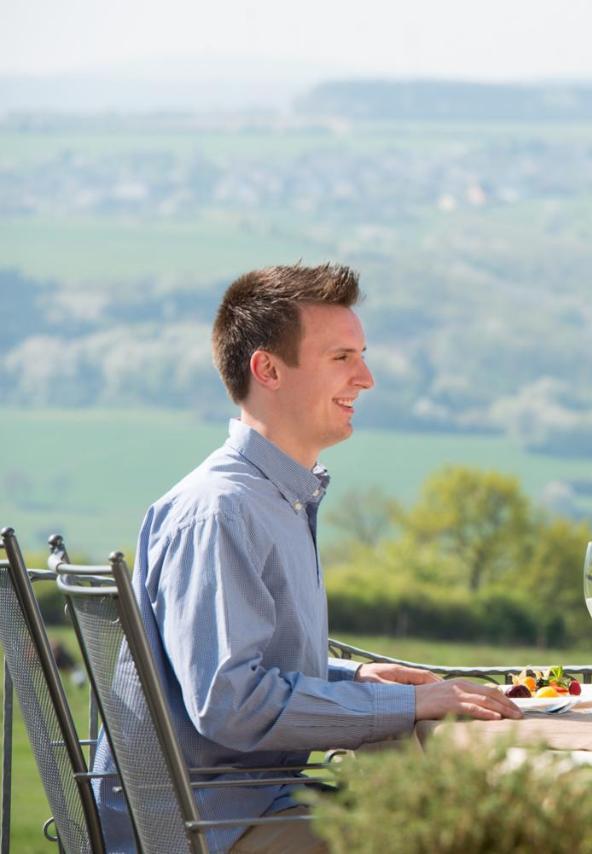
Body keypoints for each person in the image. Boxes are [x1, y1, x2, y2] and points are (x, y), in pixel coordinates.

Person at [93, 264, 521, 854]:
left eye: (361, 355)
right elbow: (230, 704)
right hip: (205, 827)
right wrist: (408, 704)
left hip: (246, 802)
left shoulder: (275, 498)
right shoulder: (222, 510)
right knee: (465, 836)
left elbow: (237, 667)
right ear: (267, 368)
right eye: (342, 357)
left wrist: (355, 676)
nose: (366, 378)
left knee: (453, 815)